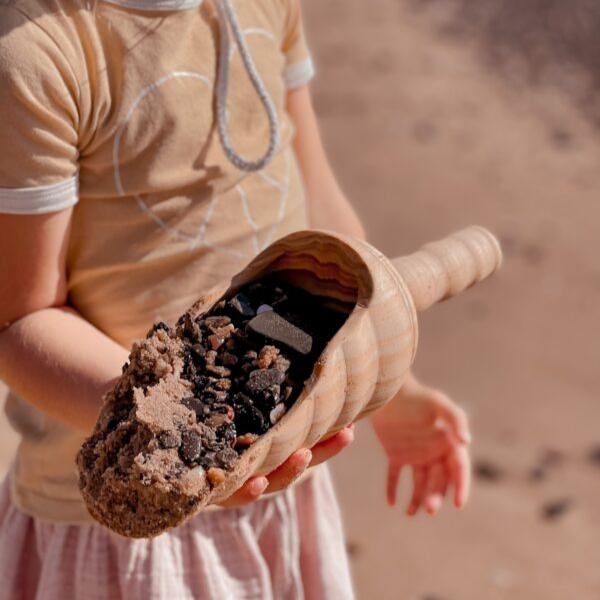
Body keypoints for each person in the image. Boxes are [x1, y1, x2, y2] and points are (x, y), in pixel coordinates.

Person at [0, 0, 471, 597]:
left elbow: (321, 220)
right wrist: (179, 438)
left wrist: (384, 386)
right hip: (130, 515)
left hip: (272, 472)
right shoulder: (39, 52)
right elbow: (21, 319)